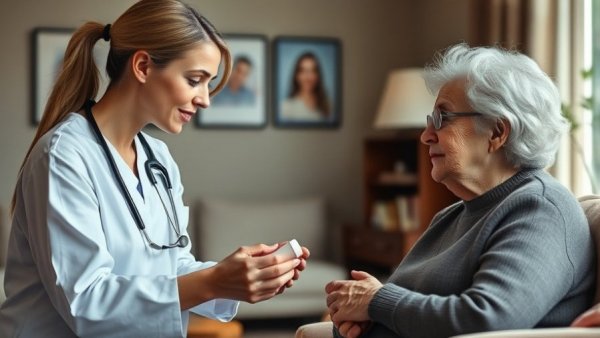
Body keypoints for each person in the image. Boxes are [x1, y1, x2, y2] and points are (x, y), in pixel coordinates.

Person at [0, 1, 309, 337]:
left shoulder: (157, 158)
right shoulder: (62, 157)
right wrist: (212, 281)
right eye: (195, 80)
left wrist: (236, 277)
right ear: (144, 66)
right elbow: (86, 303)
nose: (205, 99)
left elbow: (172, 264)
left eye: (209, 83)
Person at [325, 43, 595, 338]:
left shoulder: (540, 210)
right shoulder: (451, 216)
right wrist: (356, 318)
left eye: (442, 118)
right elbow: (393, 308)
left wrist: (376, 302)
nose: (426, 136)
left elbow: (487, 318)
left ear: (496, 132)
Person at [280, 52, 331, 121]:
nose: (308, 77)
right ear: (296, 76)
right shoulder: (286, 107)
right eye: (303, 71)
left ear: (318, 76)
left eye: (313, 71)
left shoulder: (328, 105)